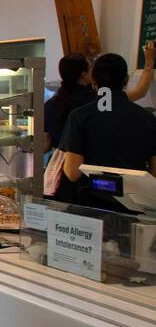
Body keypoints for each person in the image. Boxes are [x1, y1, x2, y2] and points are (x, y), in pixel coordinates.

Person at [59, 53, 156, 210]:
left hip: (90, 209)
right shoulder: (147, 118)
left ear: (93, 80)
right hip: (135, 209)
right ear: (126, 80)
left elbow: (72, 172)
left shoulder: (80, 116)